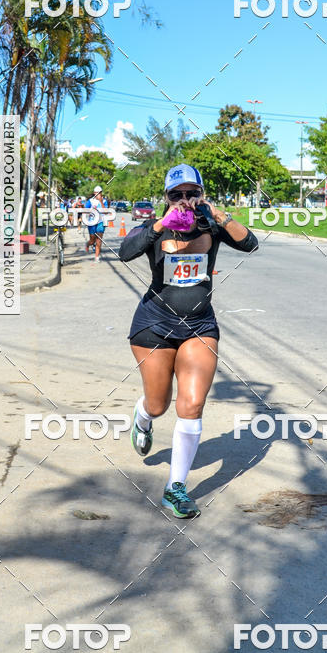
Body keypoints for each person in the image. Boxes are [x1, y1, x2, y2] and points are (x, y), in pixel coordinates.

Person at [119, 163, 258, 518]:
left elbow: (250, 244)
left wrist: (220, 215)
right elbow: (126, 251)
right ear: (166, 198)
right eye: (176, 194)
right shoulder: (153, 227)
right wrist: (161, 224)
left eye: (191, 193)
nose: (184, 199)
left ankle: (175, 488)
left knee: (192, 405)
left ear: (201, 194)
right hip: (153, 326)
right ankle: (143, 416)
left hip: (199, 326)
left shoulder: (211, 223)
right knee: (158, 403)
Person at [85, 186, 106, 262]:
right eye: (97, 193)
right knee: (92, 240)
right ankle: (88, 244)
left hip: (101, 222)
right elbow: (85, 210)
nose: (98, 194)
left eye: (100, 193)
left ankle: (97, 257)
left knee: (99, 240)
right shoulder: (90, 201)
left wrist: (101, 201)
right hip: (92, 222)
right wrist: (91, 211)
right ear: (94, 193)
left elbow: (105, 211)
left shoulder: (104, 201)